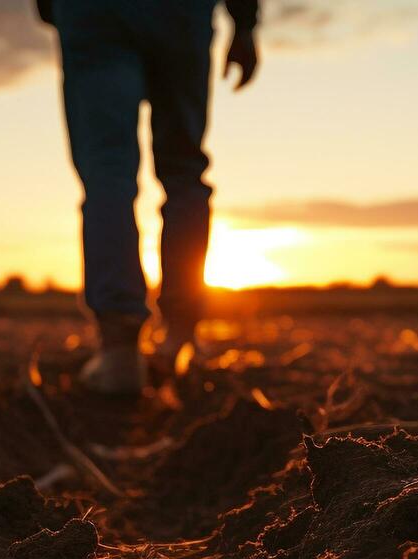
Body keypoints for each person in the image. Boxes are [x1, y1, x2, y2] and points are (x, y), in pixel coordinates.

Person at [38, 0, 261, 394]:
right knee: (182, 169)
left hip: (94, 15)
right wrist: (244, 23)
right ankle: (179, 337)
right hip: (179, 14)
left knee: (108, 168)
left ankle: (120, 350)